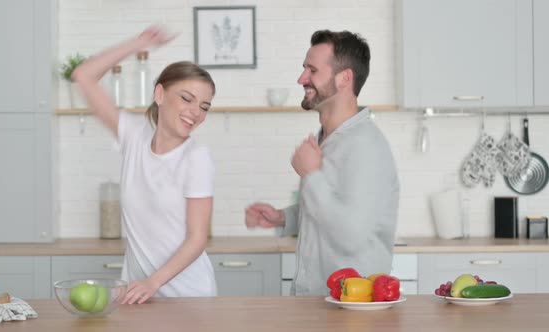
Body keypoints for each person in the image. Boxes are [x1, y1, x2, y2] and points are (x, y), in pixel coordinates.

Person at [245, 30, 399, 296]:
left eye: (312, 70)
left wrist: (312, 175)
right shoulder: (329, 139)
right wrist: (284, 218)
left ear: (344, 78)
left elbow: (352, 235)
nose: (301, 78)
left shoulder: (365, 146)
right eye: (304, 68)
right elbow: (332, 210)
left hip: (349, 310)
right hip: (317, 303)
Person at [72, 26, 217, 303]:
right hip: (139, 297)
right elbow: (84, 76)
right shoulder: (134, 136)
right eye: (187, 98)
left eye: (204, 106)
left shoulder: (196, 157)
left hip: (189, 297)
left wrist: (153, 282)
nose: (196, 112)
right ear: (160, 94)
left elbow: (197, 239)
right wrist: (137, 43)